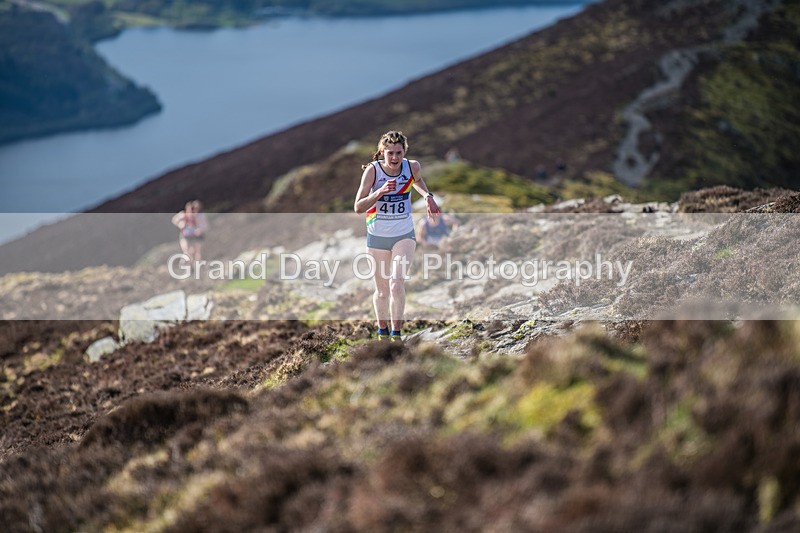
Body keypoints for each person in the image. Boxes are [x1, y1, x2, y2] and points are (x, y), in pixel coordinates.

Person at [354, 130, 440, 341]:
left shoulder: (412, 167)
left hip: (404, 235)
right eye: (390, 153)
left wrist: (428, 197)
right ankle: (382, 332)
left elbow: (417, 181)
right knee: (382, 291)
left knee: (396, 283)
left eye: (398, 153)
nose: (394, 158)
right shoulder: (373, 172)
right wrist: (379, 192)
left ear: (405, 152)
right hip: (377, 237)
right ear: (382, 152)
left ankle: (396, 334)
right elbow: (358, 206)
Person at [171, 200, 208, 264]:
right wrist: (180, 224)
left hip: (193, 236)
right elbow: (174, 220)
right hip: (185, 235)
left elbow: (203, 225)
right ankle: (185, 264)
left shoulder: (197, 216)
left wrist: (199, 229)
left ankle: (195, 265)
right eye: (191, 209)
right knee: (187, 251)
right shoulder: (183, 215)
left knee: (195, 251)